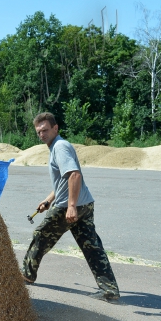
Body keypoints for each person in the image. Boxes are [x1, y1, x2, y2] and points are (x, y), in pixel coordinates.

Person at [21, 112, 120, 301]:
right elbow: (64, 180)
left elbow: (74, 175)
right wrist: (49, 199)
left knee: (41, 235)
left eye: (45, 130)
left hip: (70, 205)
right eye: (39, 132)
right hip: (85, 204)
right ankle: (109, 290)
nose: (42, 134)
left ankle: (26, 274)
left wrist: (71, 206)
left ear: (55, 128)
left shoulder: (60, 147)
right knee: (92, 247)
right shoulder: (58, 147)